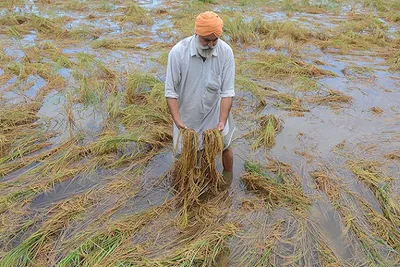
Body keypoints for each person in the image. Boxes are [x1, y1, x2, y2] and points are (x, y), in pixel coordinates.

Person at [165, 11, 235, 189]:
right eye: (206, 40)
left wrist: (222, 120)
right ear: (196, 34)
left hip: (216, 111)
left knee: (225, 146)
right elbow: (170, 92)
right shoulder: (178, 53)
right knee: (186, 155)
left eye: (214, 40)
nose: (211, 44)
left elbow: (227, 92)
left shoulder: (226, 52)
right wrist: (178, 120)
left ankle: (227, 180)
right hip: (187, 116)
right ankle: (184, 187)